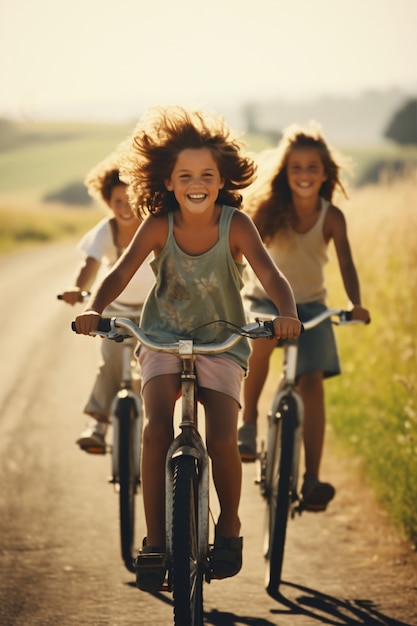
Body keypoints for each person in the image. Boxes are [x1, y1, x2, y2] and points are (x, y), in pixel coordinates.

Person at [73, 105, 302, 591]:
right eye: (185, 175)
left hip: (221, 341)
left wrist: (287, 314)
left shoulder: (236, 225)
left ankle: (231, 527)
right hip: (161, 337)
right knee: (156, 430)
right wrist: (96, 307)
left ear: (222, 181)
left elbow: (271, 275)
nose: (196, 183)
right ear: (169, 183)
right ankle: (155, 541)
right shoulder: (158, 224)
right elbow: (120, 271)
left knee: (222, 437)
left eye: (206, 175)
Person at [238, 123, 370, 508]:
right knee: (261, 347)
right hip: (265, 301)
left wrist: (355, 303)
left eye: (313, 167)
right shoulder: (267, 209)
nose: (305, 174)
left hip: (311, 306)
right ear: (285, 172)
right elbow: (239, 251)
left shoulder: (332, 218)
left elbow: (346, 264)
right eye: (296, 167)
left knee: (312, 383)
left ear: (325, 173)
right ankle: (247, 426)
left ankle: (311, 480)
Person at [60, 152, 154, 451]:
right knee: (111, 363)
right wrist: (78, 288)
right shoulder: (107, 229)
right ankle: (98, 424)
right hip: (116, 309)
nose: (124, 209)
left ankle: (155, 426)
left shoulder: (152, 226)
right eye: (117, 202)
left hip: (154, 311)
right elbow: (90, 263)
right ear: (107, 202)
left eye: (130, 201)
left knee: (154, 366)